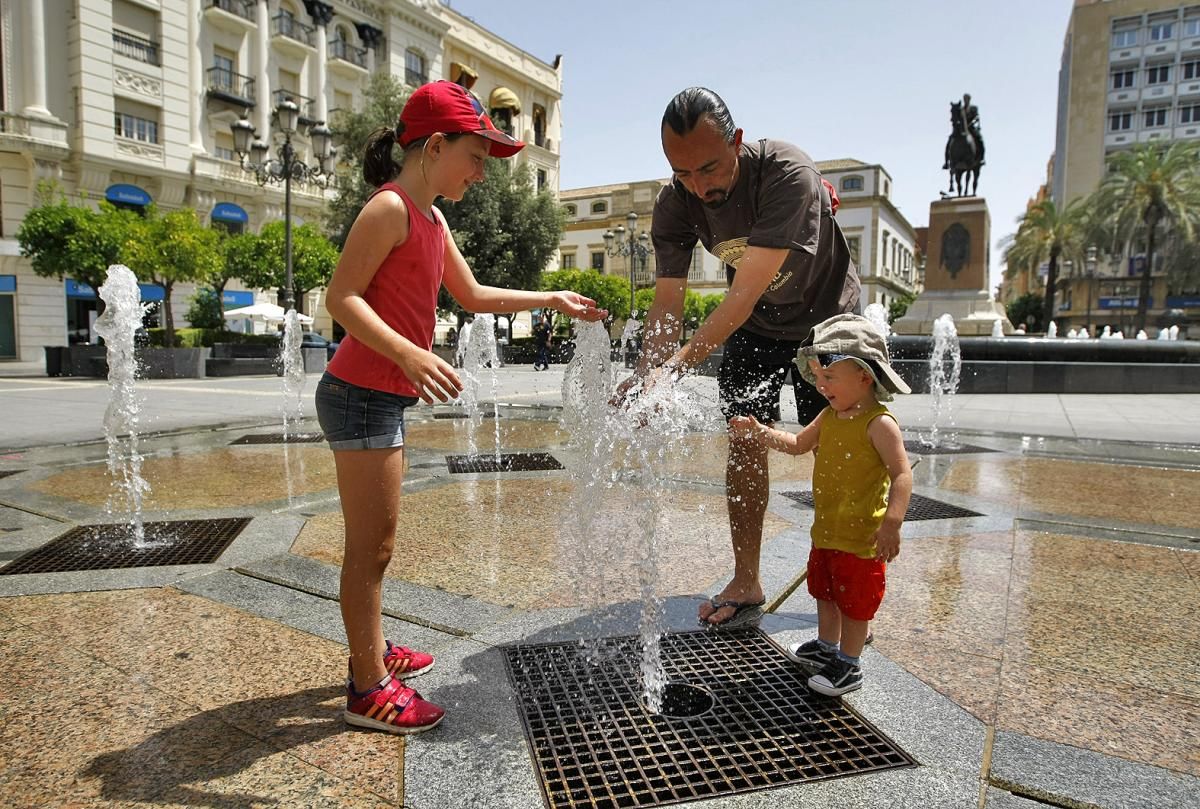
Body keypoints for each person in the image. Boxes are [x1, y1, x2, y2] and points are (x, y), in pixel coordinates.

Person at [317, 80, 605, 735]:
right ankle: (368, 686)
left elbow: (470, 296)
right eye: (476, 157)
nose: (482, 173)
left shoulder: (433, 218)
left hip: (377, 396)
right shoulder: (388, 209)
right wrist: (410, 354)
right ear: (435, 146)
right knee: (373, 547)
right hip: (360, 395)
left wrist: (551, 297)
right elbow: (341, 298)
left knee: (378, 545)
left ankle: (373, 646)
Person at [616, 87, 860, 628]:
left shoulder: (786, 173)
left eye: (709, 168)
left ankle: (847, 590)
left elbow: (740, 293)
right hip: (757, 327)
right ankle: (747, 579)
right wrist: (646, 375)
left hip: (828, 321)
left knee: (841, 455)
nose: (700, 187)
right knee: (745, 439)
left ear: (738, 142)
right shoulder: (676, 204)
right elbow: (666, 307)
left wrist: (672, 370)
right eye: (682, 173)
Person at [730, 314, 912, 695]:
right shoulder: (830, 415)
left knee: (855, 604)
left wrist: (892, 523)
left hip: (861, 538)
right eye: (819, 379)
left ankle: (849, 663)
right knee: (825, 593)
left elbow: (901, 474)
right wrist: (760, 432)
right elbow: (798, 445)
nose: (821, 386)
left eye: (830, 378)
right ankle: (827, 647)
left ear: (864, 376)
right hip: (827, 531)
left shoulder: (879, 424)